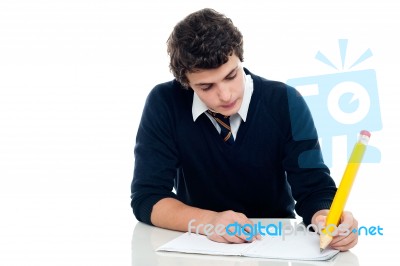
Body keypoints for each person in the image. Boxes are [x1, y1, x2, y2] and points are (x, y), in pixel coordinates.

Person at [131, 8, 358, 251]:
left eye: (231, 75)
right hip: (197, 243)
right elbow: (148, 197)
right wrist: (210, 222)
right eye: (206, 86)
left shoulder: (285, 101)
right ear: (186, 83)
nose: (225, 95)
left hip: (274, 246)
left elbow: (315, 189)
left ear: (240, 58)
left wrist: (326, 218)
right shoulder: (165, 103)